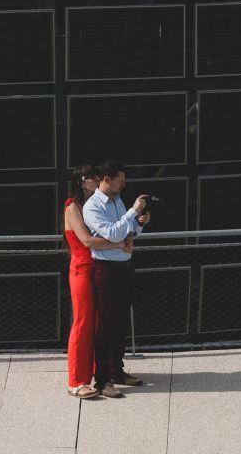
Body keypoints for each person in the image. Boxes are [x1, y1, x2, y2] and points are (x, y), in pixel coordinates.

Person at [81, 162, 152, 391]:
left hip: (123, 266)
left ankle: (116, 371)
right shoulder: (92, 206)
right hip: (106, 268)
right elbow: (112, 232)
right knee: (107, 325)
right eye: (120, 180)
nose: (124, 185)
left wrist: (138, 226)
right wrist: (132, 212)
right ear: (106, 180)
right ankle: (102, 379)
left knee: (121, 322)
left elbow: (125, 229)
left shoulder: (118, 200)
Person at [60, 166, 126, 400]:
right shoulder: (72, 207)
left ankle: (100, 372)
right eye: (94, 178)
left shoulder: (92, 206)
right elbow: (87, 241)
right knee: (83, 322)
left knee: (98, 322)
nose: (98, 181)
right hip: (81, 269)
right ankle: (76, 381)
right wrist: (118, 244)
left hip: (96, 267)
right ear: (82, 181)